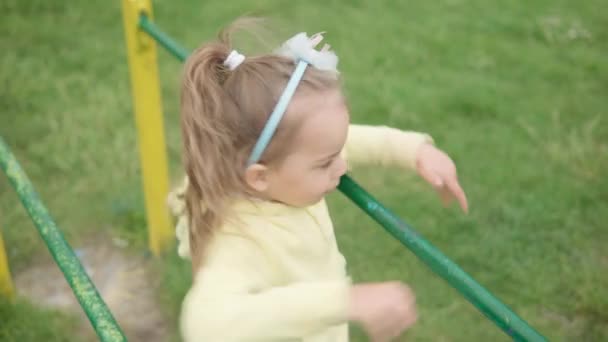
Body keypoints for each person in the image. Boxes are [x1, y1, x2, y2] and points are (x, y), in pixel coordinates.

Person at [168, 19, 468, 342]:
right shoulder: (241, 239)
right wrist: (347, 301)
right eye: (326, 163)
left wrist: (414, 150)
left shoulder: (279, 175)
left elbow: (338, 143)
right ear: (259, 177)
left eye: (337, 153)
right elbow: (206, 323)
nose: (341, 166)